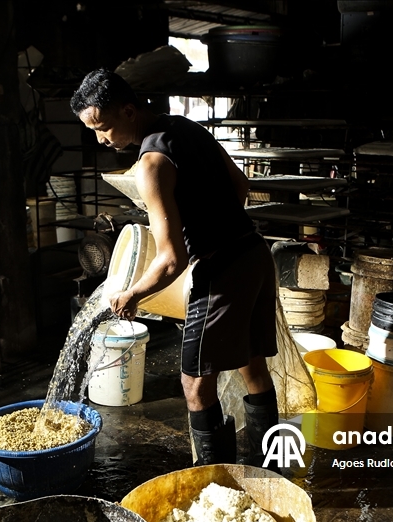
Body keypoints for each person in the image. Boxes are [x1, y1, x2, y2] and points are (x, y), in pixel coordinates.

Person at [70, 68, 278, 467]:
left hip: (222, 271)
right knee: (253, 366)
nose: (101, 139)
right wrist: (216, 221)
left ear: (129, 111)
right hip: (254, 255)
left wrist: (132, 294)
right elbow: (240, 184)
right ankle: (270, 468)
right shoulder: (186, 127)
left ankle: (218, 479)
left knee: (195, 386)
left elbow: (171, 261)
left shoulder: (150, 164)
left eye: (104, 127)